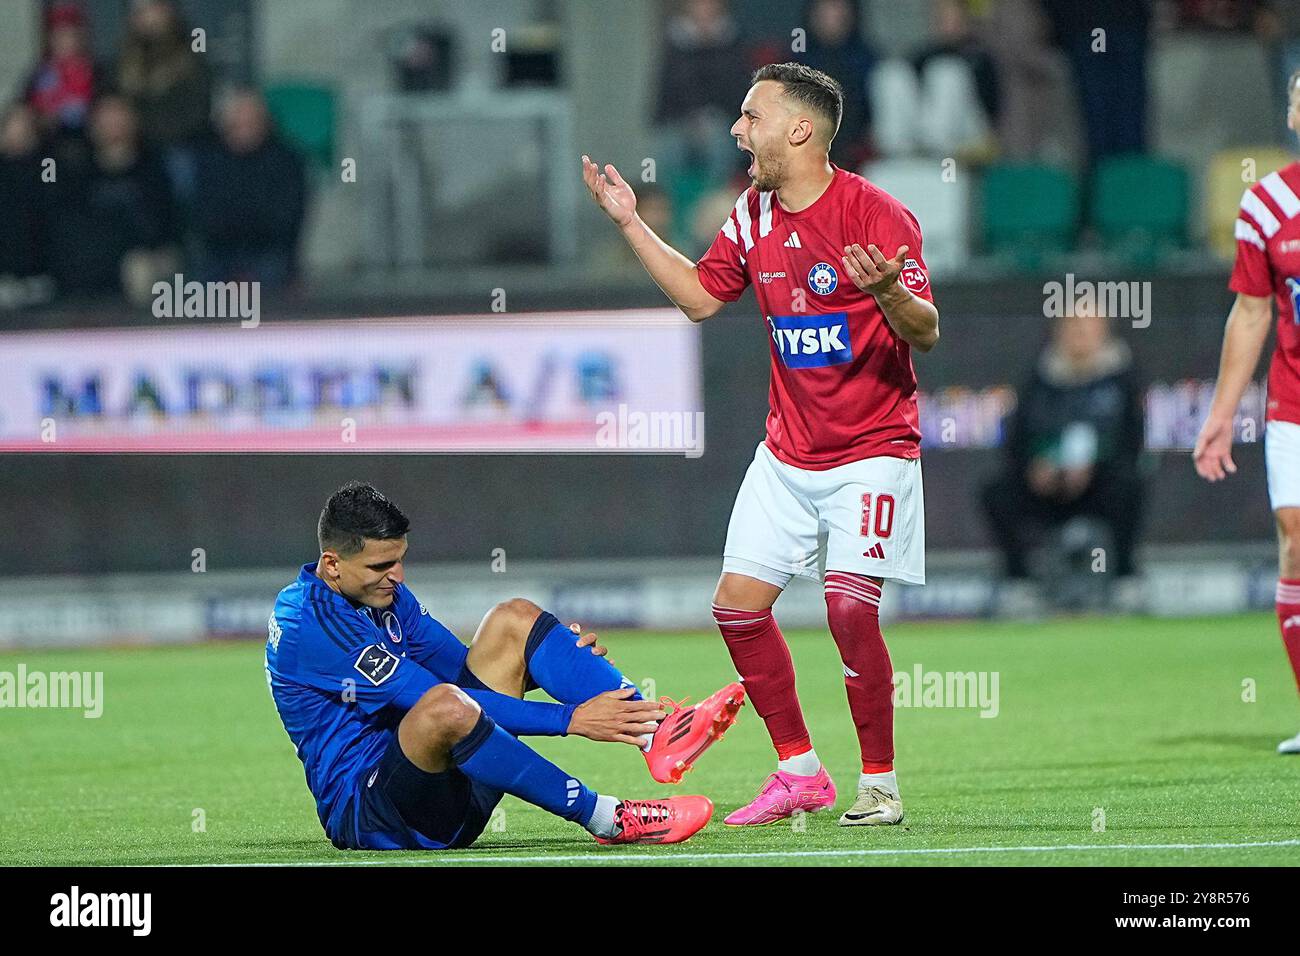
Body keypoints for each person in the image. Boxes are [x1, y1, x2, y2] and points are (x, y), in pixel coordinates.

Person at [583, 62, 939, 828]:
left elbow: (927, 331)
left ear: (800, 130)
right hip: (786, 454)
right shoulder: (752, 213)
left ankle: (878, 785)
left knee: (848, 609)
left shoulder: (879, 215)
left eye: (752, 116)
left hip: (872, 450)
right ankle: (800, 772)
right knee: (737, 609)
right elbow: (700, 299)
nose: (739, 130)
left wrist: (887, 292)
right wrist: (628, 221)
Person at [266, 482, 746, 850]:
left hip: (454, 775)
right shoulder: (311, 623)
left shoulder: (384, 596)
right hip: (379, 816)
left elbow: (462, 672)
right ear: (332, 565)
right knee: (443, 707)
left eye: (400, 561)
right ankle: (610, 818)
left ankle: (655, 732)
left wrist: (551, 661)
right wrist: (571, 719)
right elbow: (443, 701)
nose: (398, 576)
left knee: (514, 620)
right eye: (380, 566)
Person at [1194, 68, 1300, 756]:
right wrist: (1221, 413)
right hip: (1294, 405)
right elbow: (1253, 311)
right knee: (1295, 539)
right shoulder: (1266, 206)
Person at [981, 307, 1146, 608]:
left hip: (1100, 485)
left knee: (1130, 486)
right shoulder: (1039, 378)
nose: (1079, 333)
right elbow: (1016, 439)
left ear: (1103, 331)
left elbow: (1133, 441)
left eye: (1087, 326)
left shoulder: (1121, 379)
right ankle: (1019, 583)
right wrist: (1034, 467)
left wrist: (1093, 466)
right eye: (1072, 326)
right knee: (996, 491)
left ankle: (1126, 579)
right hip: (1045, 487)